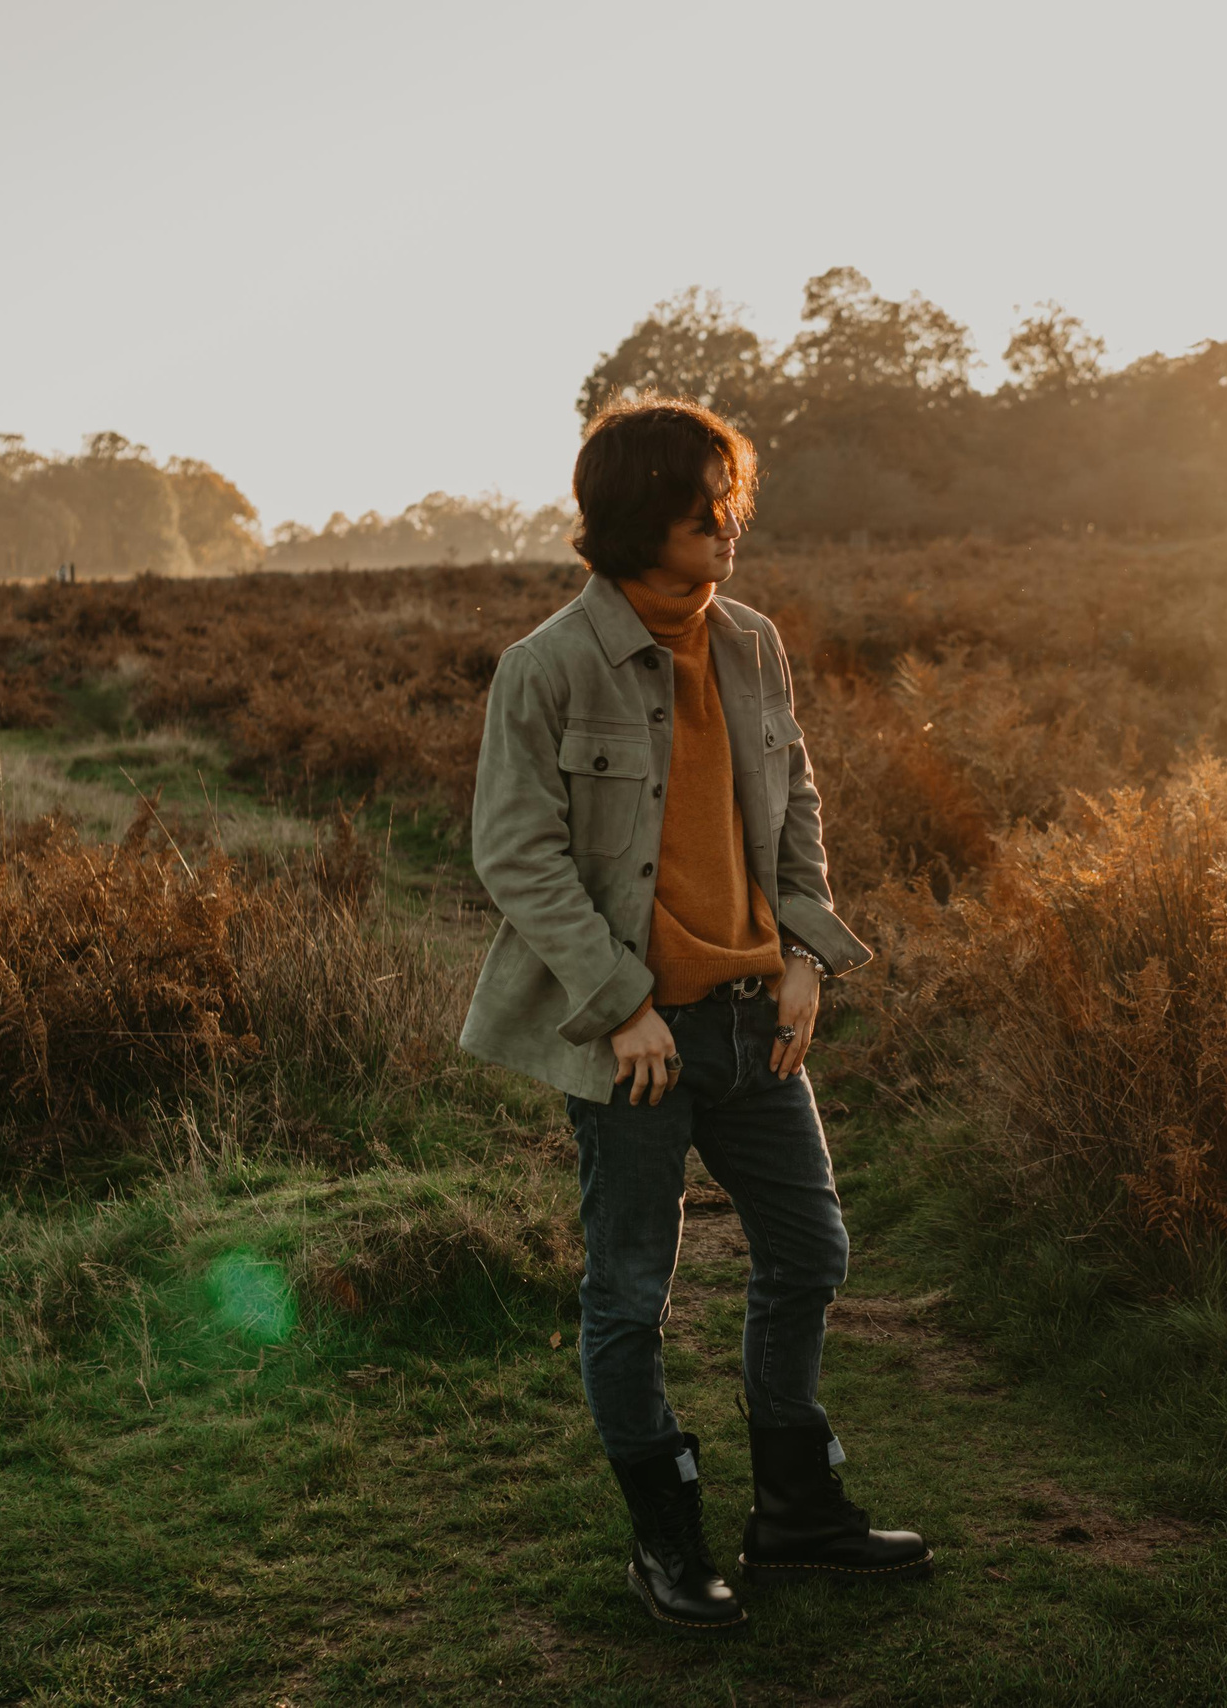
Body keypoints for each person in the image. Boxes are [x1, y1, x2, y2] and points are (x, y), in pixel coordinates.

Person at [460, 397, 930, 1636]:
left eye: (731, 496)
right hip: (636, 1043)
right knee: (630, 1290)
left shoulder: (753, 644)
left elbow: (795, 803)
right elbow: (516, 854)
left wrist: (805, 951)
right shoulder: (547, 666)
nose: (728, 521)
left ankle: (796, 1512)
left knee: (810, 1250)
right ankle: (666, 1539)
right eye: (701, 500)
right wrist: (620, 1005)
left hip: (751, 1013)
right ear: (636, 514)